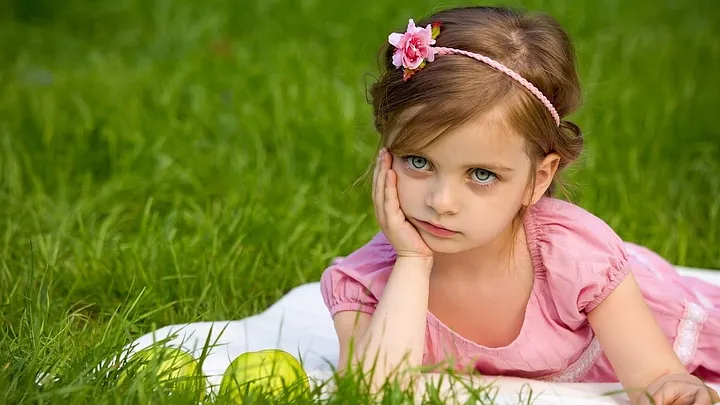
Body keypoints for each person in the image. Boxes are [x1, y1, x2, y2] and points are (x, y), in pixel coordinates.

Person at [318, 5, 720, 405]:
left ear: (538, 178)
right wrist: (411, 260)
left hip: (651, 316)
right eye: (418, 162)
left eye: (481, 174)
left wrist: (671, 386)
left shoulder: (573, 259)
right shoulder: (367, 283)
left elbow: (655, 375)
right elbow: (372, 392)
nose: (441, 202)